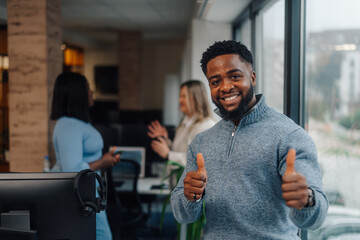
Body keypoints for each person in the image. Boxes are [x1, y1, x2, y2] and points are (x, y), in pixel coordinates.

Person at [171, 40, 328, 239]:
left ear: (252, 78)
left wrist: (307, 200)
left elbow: (316, 217)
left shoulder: (289, 136)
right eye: (215, 81)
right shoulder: (202, 142)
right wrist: (189, 196)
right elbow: (181, 215)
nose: (226, 87)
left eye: (235, 76)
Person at [50, 72, 119, 240]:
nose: (92, 92)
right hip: (79, 195)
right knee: (103, 237)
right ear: (77, 94)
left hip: (87, 193)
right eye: (88, 88)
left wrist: (104, 158)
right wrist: (103, 161)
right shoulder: (68, 125)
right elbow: (72, 169)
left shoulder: (78, 123)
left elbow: (83, 158)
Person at [147, 80, 216, 186]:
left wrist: (168, 154)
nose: (180, 100)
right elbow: (182, 150)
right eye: (180, 96)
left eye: (184, 96)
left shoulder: (206, 126)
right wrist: (165, 140)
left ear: (196, 98)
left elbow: (200, 161)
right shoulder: (184, 123)